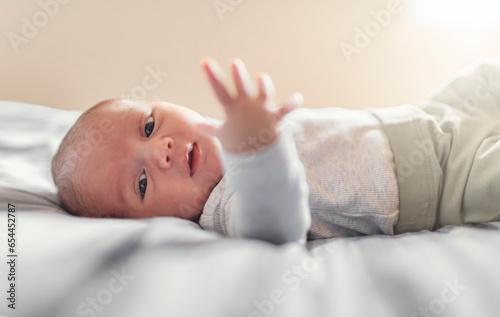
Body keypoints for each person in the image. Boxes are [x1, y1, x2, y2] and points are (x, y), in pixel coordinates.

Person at [51, 57, 500, 245]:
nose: (161, 151)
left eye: (148, 127)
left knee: (484, 73)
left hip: (422, 117)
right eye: (142, 183)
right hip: (440, 183)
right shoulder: (229, 209)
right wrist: (257, 154)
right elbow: (277, 219)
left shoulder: (234, 131)